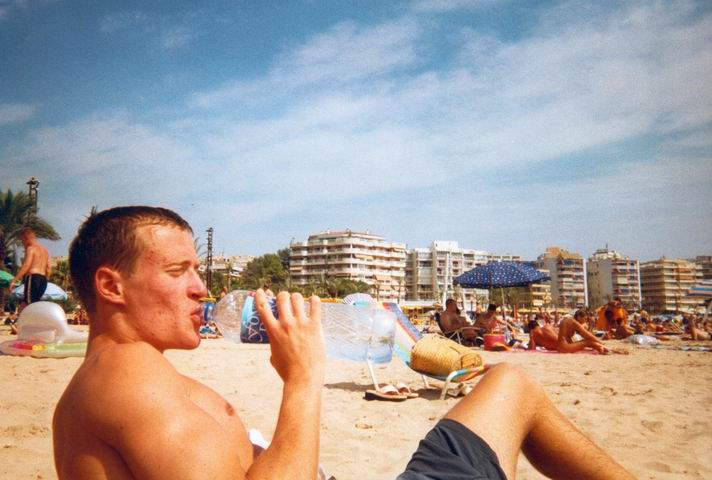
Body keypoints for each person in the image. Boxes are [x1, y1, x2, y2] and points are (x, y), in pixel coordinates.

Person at [53, 206, 634, 480]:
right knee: (513, 389)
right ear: (112, 286)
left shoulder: (130, 376)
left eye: (197, 270)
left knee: (509, 384)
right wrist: (304, 378)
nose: (201, 288)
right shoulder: (125, 379)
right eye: (178, 271)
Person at [9, 227, 51, 314]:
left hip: (33, 278)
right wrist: (45, 280)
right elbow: (49, 268)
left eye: (22, 241)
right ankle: (29, 321)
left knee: (26, 303)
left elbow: (26, 265)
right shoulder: (45, 251)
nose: (23, 244)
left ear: (26, 238)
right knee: (33, 304)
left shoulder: (31, 248)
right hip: (43, 280)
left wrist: (14, 280)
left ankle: (20, 321)